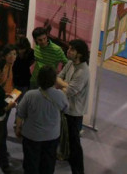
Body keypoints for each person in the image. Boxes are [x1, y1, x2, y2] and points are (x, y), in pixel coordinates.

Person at [16, 65, 68, 174]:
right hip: (52, 137)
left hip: (31, 136)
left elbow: (20, 113)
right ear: (54, 80)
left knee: (30, 165)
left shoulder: (30, 95)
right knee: (48, 165)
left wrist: (18, 128)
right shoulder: (60, 96)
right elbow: (66, 109)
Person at [55, 39, 90, 174]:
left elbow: (69, 91)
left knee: (74, 144)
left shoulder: (83, 71)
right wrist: (65, 85)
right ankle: (66, 156)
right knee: (65, 138)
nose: (68, 51)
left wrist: (63, 85)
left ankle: (78, 171)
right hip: (65, 107)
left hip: (74, 112)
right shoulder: (70, 63)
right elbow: (57, 78)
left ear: (79, 54)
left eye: (72, 50)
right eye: (69, 48)